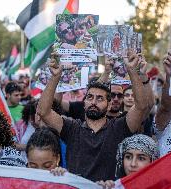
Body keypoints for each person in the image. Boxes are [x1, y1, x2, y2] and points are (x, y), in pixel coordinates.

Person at [36, 51, 147, 181]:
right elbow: (43, 112)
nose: (93, 102)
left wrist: (132, 70)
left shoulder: (119, 127)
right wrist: (55, 77)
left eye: (100, 98)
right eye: (90, 97)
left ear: (109, 105)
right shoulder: (72, 128)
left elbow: (141, 107)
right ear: (84, 103)